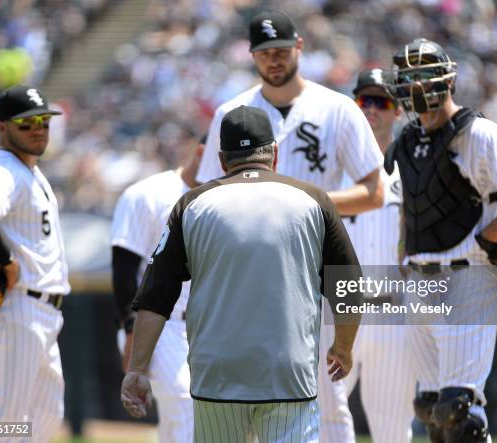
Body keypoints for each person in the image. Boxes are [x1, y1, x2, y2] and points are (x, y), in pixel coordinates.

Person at [121, 105, 362, 442]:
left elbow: (155, 296)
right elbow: (349, 286)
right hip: (288, 374)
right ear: (274, 154)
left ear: (222, 160)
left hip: (217, 376)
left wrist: (138, 368)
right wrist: (344, 346)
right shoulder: (313, 200)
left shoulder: (192, 204)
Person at [195, 11, 384, 442]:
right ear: (252, 57)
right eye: (264, 54)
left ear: (299, 46)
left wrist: (301, 204)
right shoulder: (233, 111)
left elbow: (374, 191)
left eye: (280, 50)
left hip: (318, 268)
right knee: (241, 400)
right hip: (247, 272)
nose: (273, 61)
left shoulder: (337, 108)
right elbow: (209, 191)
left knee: (328, 397)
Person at [386, 38, 497, 442]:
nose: (417, 86)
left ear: (447, 80)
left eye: (425, 76)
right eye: (409, 78)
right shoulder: (407, 141)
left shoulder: (478, 134)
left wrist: (490, 238)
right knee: (430, 409)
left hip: (466, 277)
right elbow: (410, 210)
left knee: (459, 412)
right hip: (421, 279)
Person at [0, 85, 68, 443]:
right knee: (2, 425)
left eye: (43, 121)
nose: (37, 128)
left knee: (45, 420)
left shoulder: (31, 173)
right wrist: (5, 260)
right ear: (2, 128)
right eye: (26, 123)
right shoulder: (5, 169)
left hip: (41, 313)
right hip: (15, 310)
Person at [110, 134, 205, 442]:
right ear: (202, 152)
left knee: (190, 419)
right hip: (160, 324)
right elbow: (123, 268)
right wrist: (130, 331)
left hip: (207, 327)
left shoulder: (225, 199)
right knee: (186, 401)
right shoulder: (148, 193)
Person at [341, 68, 416, 443]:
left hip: (393, 311)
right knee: (324, 421)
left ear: (398, 110)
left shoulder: (414, 171)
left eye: (381, 101)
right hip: (337, 310)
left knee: (392, 429)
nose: (371, 108)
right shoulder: (333, 169)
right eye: (363, 100)